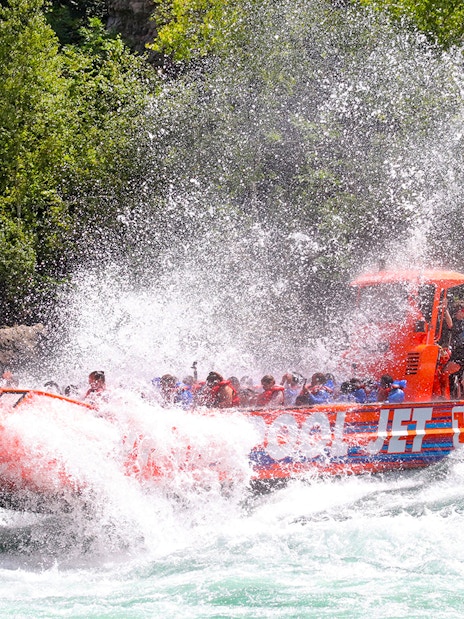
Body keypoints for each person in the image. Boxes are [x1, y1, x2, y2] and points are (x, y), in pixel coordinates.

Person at [440, 300, 464, 397]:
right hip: (458, 353)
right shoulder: (459, 322)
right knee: (459, 379)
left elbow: (451, 325)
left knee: (445, 372)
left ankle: (443, 396)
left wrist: (445, 310)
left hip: (460, 353)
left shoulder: (461, 323)